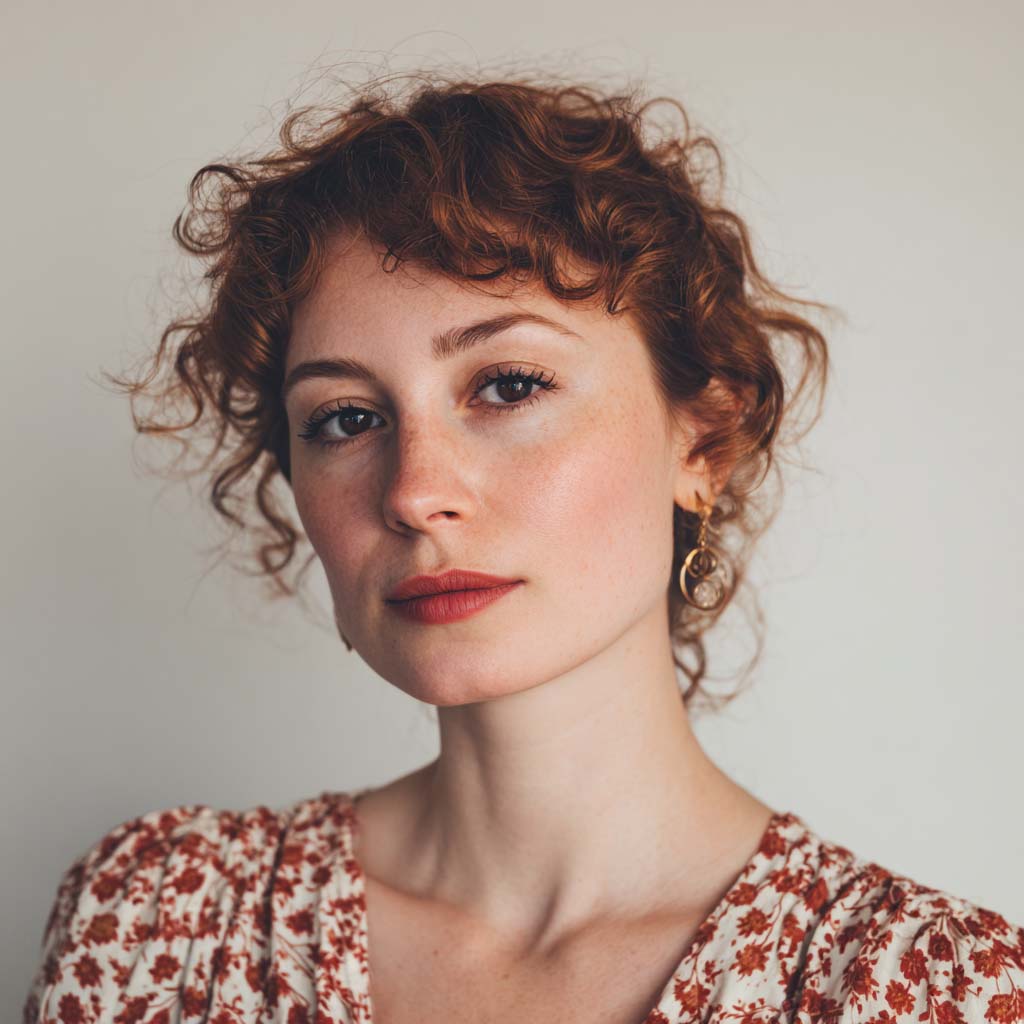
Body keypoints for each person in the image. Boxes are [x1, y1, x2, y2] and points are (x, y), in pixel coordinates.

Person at [23, 71, 1023, 1024]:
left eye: (507, 386)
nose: (415, 493)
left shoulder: (927, 990)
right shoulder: (163, 926)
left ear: (704, 441)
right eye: (343, 418)